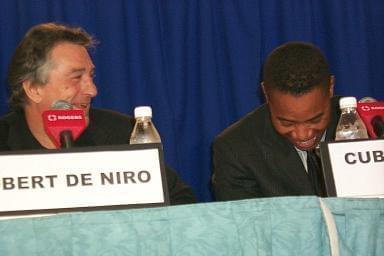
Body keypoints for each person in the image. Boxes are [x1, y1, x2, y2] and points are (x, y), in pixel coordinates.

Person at [0, 22, 196, 205]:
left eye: (91, 76)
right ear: (34, 89)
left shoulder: (122, 133)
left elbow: (180, 199)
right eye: (76, 77)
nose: (92, 90)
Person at [212, 41, 341, 201]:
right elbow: (244, 224)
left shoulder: (370, 127)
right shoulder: (236, 149)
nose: (302, 135)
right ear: (266, 93)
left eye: (316, 119)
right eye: (287, 123)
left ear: (330, 87)